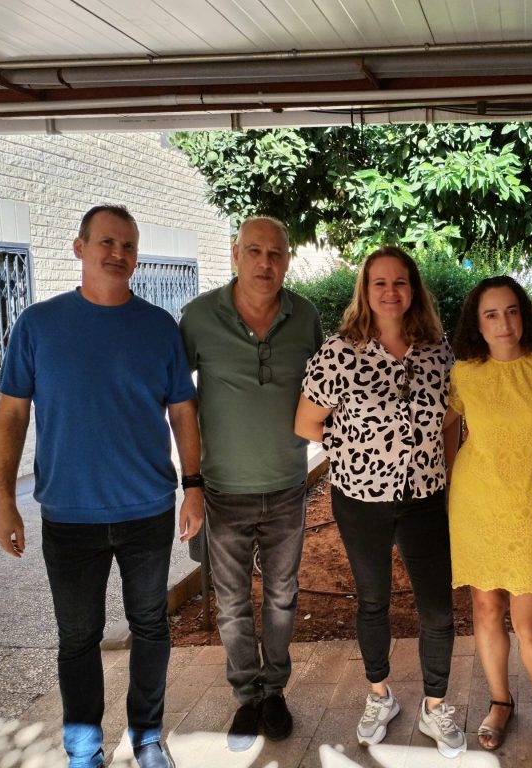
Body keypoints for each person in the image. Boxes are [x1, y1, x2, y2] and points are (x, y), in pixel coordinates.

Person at [0, 205, 203, 768]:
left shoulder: (158, 327)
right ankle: (84, 749)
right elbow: (12, 414)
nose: (118, 254)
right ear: (79, 247)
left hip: (147, 511)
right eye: (107, 242)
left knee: (150, 626)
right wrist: (4, 501)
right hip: (69, 516)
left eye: (128, 246)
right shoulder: (38, 325)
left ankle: (148, 737)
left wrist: (194, 487)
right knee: (78, 638)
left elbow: (183, 412)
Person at [294, 246, 465, 758]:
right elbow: (306, 423)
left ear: (414, 290)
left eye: (400, 282)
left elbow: (451, 420)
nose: (391, 291)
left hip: (424, 498)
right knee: (372, 601)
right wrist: (356, 450)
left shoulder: (438, 351)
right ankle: (380, 696)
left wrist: (449, 477)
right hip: (360, 499)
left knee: (437, 608)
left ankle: (436, 706)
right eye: (380, 283)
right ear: (365, 291)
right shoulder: (339, 352)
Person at [178, 216, 323, 750]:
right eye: (255, 251)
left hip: (286, 485)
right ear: (235, 254)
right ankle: (247, 696)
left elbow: (324, 390)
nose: (266, 262)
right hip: (222, 489)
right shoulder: (199, 317)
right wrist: (191, 483)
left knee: (282, 597)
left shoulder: (305, 317)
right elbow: (177, 401)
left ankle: (275, 691)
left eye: (277, 253)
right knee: (232, 603)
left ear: (287, 260)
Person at [446, 275, 532, 754]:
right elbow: (450, 427)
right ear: (477, 325)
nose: (504, 323)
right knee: (485, 609)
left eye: (512, 311)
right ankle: (500, 701)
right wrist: (450, 479)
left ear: (524, 314)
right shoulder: (464, 372)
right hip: (477, 504)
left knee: (531, 620)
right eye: (491, 314)